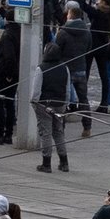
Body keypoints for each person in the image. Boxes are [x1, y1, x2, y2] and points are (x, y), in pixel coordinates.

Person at [57, 1, 93, 135]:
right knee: (84, 99)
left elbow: (57, 50)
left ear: (70, 15)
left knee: (63, 101)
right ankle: (87, 127)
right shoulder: (87, 32)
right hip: (81, 68)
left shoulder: (63, 32)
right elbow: (89, 49)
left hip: (66, 69)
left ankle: (61, 129)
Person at [32, 42, 69, 173]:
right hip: (60, 104)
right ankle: (64, 162)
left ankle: (46, 163)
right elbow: (67, 88)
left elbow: (36, 90)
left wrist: (34, 103)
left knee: (45, 133)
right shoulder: (65, 68)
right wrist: (66, 104)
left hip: (44, 105)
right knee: (59, 132)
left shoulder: (41, 69)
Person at [0, 20, 20, 145]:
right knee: (10, 103)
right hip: (14, 73)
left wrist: (8, 74)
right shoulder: (20, 32)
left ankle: (0, 133)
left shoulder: (7, 35)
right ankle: (8, 134)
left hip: (5, 74)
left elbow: (9, 56)